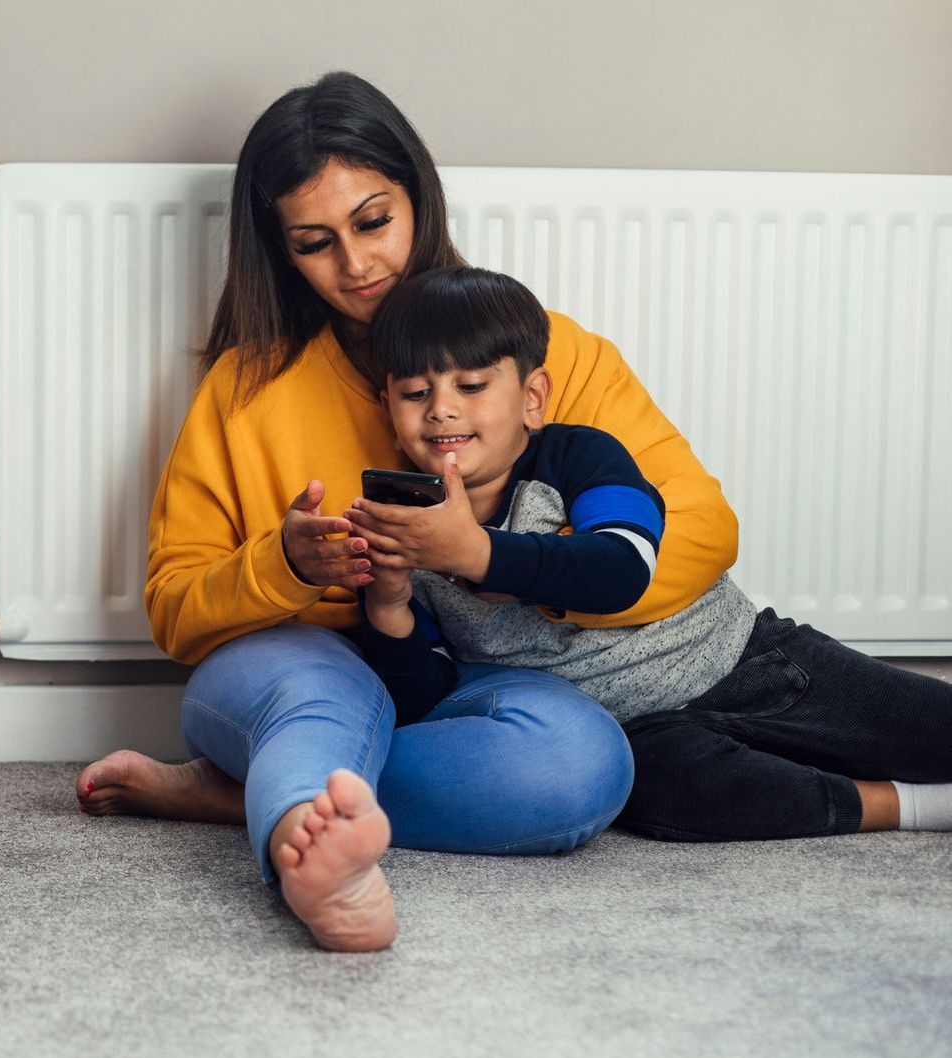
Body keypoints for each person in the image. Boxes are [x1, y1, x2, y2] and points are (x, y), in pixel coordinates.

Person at [76, 72, 739, 953]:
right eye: (314, 242)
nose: (357, 266)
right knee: (324, 693)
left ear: (419, 198)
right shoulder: (243, 389)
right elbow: (172, 606)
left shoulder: (544, 350)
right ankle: (307, 860)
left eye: (374, 221)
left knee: (582, 765)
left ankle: (251, 791)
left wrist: (492, 566)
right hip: (303, 662)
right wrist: (286, 567)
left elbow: (701, 528)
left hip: (466, 670)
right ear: (280, 250)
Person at [349, 265, 952, 843]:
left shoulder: (581, 457)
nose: (441, 409)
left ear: (533, 397)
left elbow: (623, 568)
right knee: (672, 800)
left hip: (743, 661)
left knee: (927, 726)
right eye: (415, 392)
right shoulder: (401, 528)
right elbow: (426, 698)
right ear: (388, 409)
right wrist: (388, 605)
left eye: (472, 386)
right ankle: (914, 805)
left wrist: (479, 552)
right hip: (640, 730)